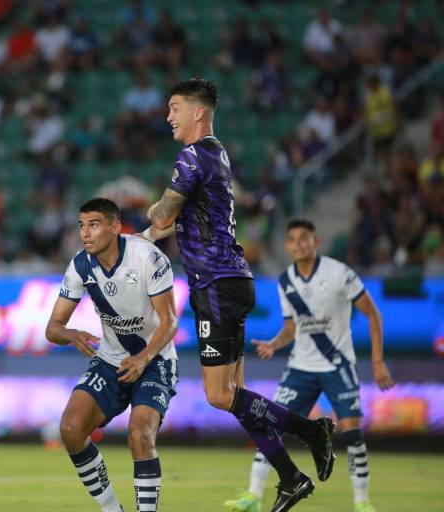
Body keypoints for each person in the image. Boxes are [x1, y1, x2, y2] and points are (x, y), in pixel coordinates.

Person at [143, 79, 336, 512]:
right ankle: (291, 478)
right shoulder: (218, 152)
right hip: (231, 280)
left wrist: (151, 212)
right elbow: (189, 218)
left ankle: (312, 433)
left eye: (174, 107)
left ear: (198, 112)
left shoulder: (193, 156)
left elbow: (163, 212)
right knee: (240, 397)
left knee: (219, 395)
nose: (168, 116)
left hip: (215, 284)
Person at [223, 219, 394, 512]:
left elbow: (373, 314)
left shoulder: (340, 273)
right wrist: (274, 344)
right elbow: (291, 328)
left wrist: (378, 362)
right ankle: (253, 496)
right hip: (300, 368)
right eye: (292, 239)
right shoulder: (286, 281)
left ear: (316, 242)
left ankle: (362, 503)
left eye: (304, 238)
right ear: (287, 247)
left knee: (352, 432)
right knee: (266, 422)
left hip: (337, 365)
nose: (299, 243)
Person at [46, 197, 178, 512]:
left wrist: (144, 357)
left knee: (140, 435)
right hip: (110, 360)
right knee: (70, 428)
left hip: (154, 360)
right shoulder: (80, 264)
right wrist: (69, 333)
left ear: (115, 227)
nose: (85, 234)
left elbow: (170, 321)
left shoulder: (148, 258)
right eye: (81, 225)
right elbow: (52, 327)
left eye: (94, 224)